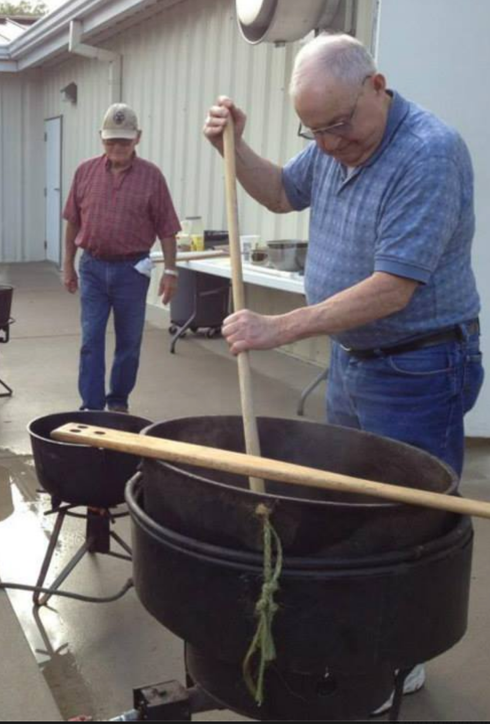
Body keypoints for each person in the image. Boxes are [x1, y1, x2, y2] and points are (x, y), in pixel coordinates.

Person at [204, 32, 483, 712]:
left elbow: (394, 288)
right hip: (355, 361)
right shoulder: (334, 139)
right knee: (351, 509)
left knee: (405, 524)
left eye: (336, 126)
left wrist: (278, 328)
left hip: (418, 367)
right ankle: (359, 636)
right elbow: (276, 191)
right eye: (314, 130)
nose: (326, 143)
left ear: (377, 87)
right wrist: (233, 148)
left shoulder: (426, 153)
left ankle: (399, 661)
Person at [63, 103, 180, 413]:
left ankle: (118, 402)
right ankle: (91, 406)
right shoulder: (85, 172)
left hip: (132, 271)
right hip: (92, 268)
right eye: (111, 140)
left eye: (124, 141)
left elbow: (168, 228)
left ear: (137, 138)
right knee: (91, 339)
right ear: (101, 138)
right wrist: (67, 265)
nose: (117, 147)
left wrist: (171, 272)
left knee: (129, 342)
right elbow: (73, 221)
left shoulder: (152, 177)